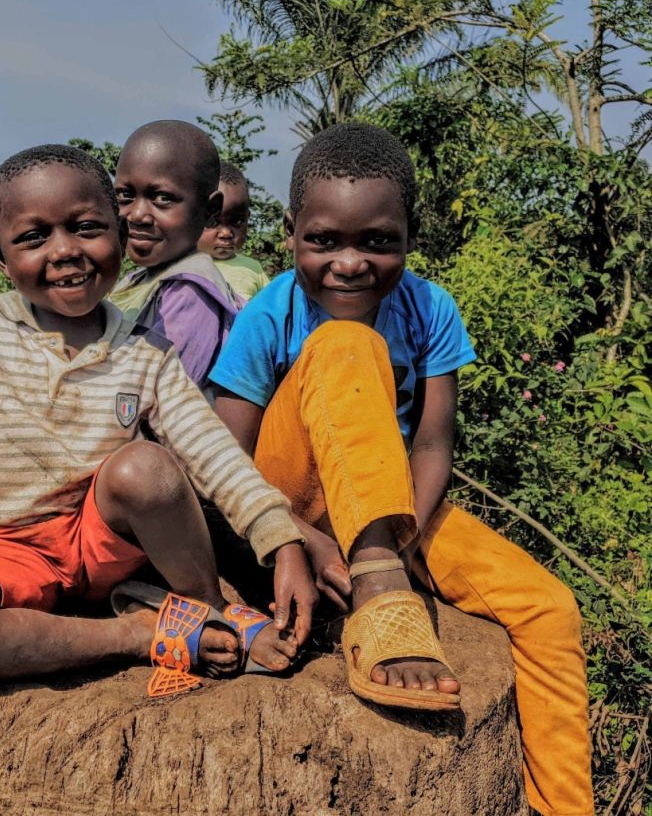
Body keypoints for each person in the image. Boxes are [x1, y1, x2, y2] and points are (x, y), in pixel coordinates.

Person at [0, 144, 318, 777]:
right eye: (35, 236)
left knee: (146, 467)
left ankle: (204, 607)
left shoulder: (144, 349)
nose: (65, 250)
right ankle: (138, 634)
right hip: (7, 547)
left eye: (86, 227)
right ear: (0, 259)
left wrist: (279, 538)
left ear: (120, 236)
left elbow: (207, 449)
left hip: (101, 539)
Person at [209, 123, 593, 816]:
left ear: (410, 234)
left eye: (377, 241)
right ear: (291, 231)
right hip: (285, 497)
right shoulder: (271, 313)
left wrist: (399, 533)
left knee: (549, 608)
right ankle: (381, 594)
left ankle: (564, 806)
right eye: (324, 240)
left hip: (396, 510)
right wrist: (299, 534)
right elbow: (223, 457)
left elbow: (432, 445)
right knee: (346, 344)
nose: (350, 262)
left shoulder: (430, 308)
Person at [108, 121, 241, 395]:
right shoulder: (140, 278)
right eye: (125, 195)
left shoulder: (190, 293)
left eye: (162, 198)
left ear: (211, 210)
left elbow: (157, 399)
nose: (137, 215)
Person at [197, 161, 271, 302]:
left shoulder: (254, 269)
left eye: (236, 222)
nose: (226, 233)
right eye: (214, 222)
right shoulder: (177, 267)